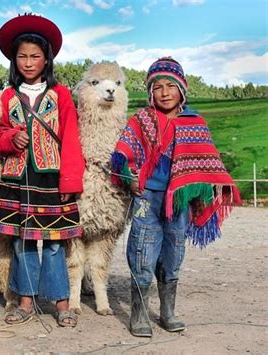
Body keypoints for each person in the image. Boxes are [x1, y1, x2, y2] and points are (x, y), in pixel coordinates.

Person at [111, 57, 241, 337]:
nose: (165, 92)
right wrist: (129, 176)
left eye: (171, 85)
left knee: (173, 254)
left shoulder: (194, 123)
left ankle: (168, 310)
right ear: (150, 92)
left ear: (182, 89)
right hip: (147, 197)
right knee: (142, 252)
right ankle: (140, 313)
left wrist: (201, 190)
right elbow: (124, 154)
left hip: (178, 202)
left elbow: (206, 163)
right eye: (158, 87)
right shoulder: (142, 120)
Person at [0, 14, 85, 327]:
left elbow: (71, 137)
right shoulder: (7, 96)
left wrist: (71, 179)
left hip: (51, 176)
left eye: (35, 56)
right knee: (22, 241)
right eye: (22, 56)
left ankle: (61, 304)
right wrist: (10, 138)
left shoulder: (60, 96)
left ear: (46, 58)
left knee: (55, 242)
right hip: (18, 178)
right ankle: (26, 302)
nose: (29, 62)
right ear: (13, 59)